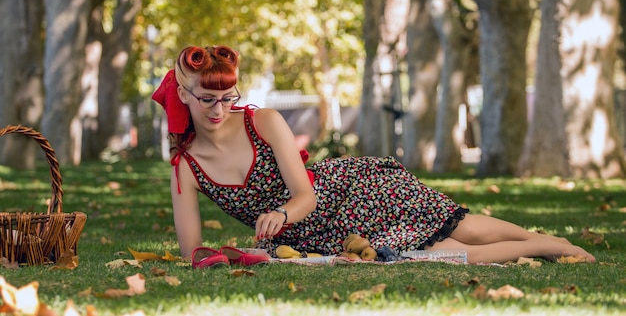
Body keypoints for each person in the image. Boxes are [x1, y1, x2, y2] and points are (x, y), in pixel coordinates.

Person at [152, 44, 596, 265]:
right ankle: (542, 247)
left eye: (229, 96)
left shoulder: (262, 121)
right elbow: (194, 250)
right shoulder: (186, 168)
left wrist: (281, 216)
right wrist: (227, 254)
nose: (220, 109)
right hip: (309, 238)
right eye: (207, 99)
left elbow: (303, 197)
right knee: (434, 251)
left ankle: (550, 242)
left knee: (453, 225)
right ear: (183, 94)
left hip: (344, 192)